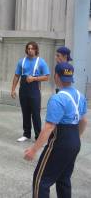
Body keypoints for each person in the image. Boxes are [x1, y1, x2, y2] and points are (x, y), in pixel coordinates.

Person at [24, 62, 87, 198]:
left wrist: (33, 150)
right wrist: (75, 140)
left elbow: (49, 127)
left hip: (60, 143)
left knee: (41, 181)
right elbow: (84, 121)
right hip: (74, 141)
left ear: (56, 76)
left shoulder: (57, 99)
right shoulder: (80, 96)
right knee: (63, 179)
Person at [11, 41, 50, 142]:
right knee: (25, 112)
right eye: (28, 48)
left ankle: (38, 137)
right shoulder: (21, 61)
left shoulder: (41, 61)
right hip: (23, 89)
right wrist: (13, 89)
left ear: (36, 50)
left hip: (34, 89)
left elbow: (46, 77)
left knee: (36, 114)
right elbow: (16, 76)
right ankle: (26, 134)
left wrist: (34, 79)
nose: (30, 50)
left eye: (32, 48)